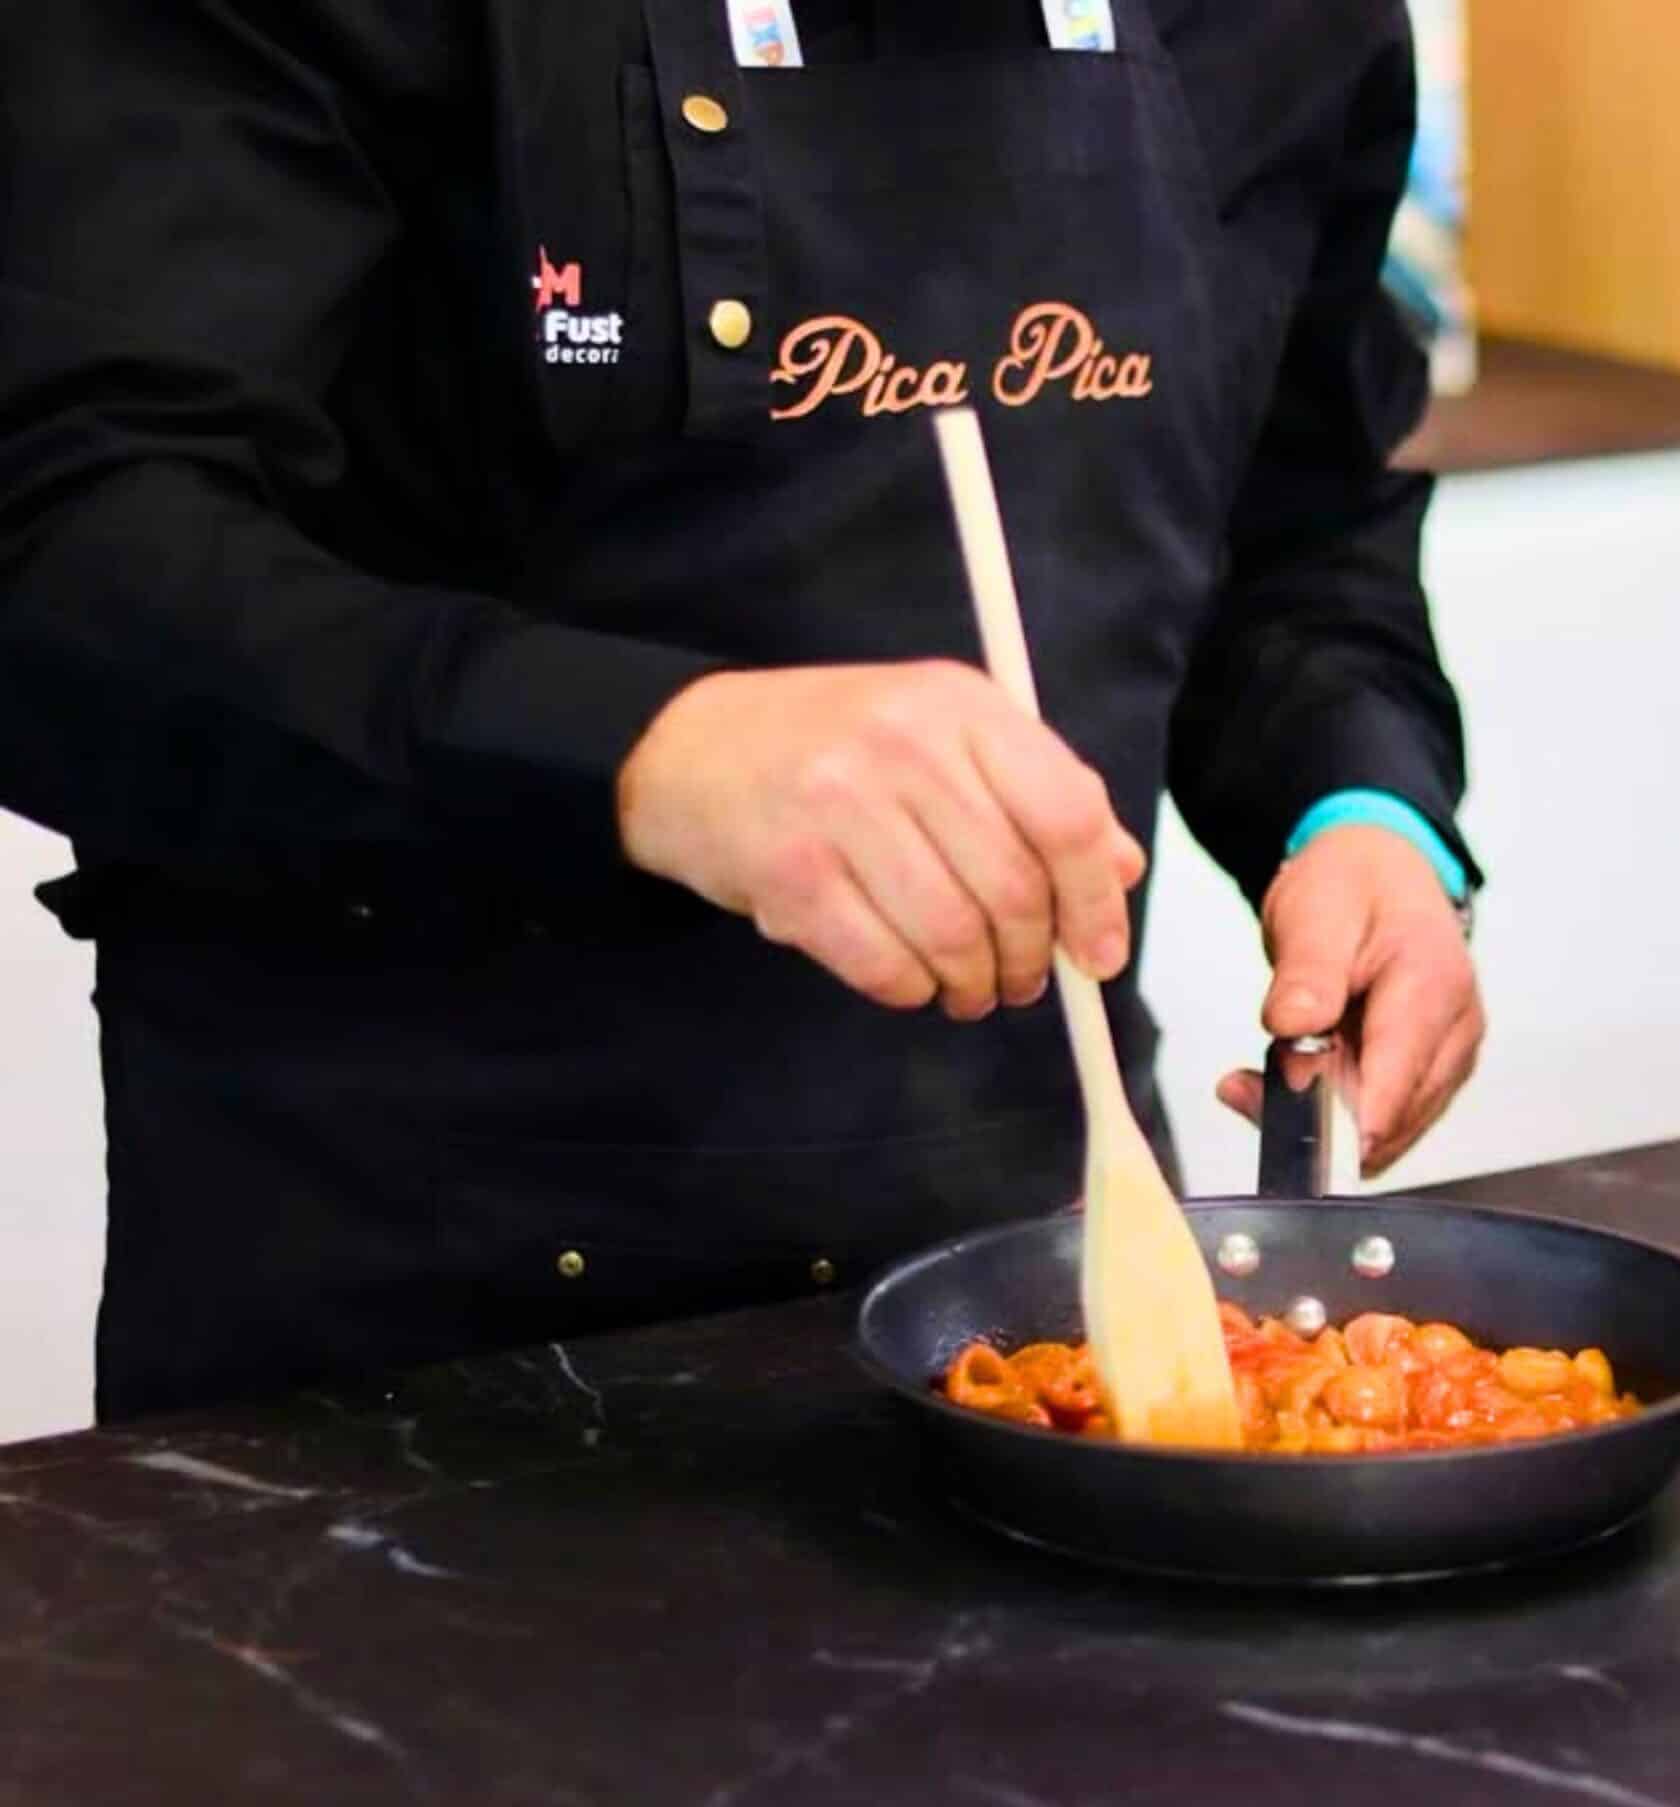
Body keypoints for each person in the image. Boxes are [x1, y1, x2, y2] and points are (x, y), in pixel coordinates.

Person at [0, 0, 1485, 1419]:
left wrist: (1359, 806)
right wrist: (646, 749)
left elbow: (1293, 525)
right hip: (408, 1339)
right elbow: (62, 558)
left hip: (1045, 1301)